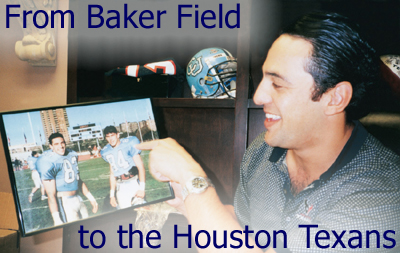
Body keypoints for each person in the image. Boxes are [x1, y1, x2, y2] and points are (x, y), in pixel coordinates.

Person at [136, 12, 400, 252]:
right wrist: (186, 198)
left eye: (278, 84)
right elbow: (242, 231)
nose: (259, 95)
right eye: (263, 79)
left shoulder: (383, 194)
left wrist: (195, 183)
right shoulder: (264, 151)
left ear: (335, 98)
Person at [36, 133, 98, 226]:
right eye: (56, 144)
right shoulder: (47, 161)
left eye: (62, 143)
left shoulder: (72, 154)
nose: (61, 146)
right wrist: (56, 219)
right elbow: (50, 195)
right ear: (51, 146)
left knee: (87, 227)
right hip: (65, 202)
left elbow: (78, 180)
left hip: (78, 198)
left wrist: (91, 198)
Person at [100, 126, 146, 209]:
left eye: (112, 135)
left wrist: (142, 188)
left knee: (143, 212)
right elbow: (112, 174)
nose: (111, 139)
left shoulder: (129, 143)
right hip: (120, 187)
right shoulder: (106, 151)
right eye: (108, 136)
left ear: (118, 135)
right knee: (127, 215)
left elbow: (140, 166)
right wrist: (112, 195)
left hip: (134, 183)